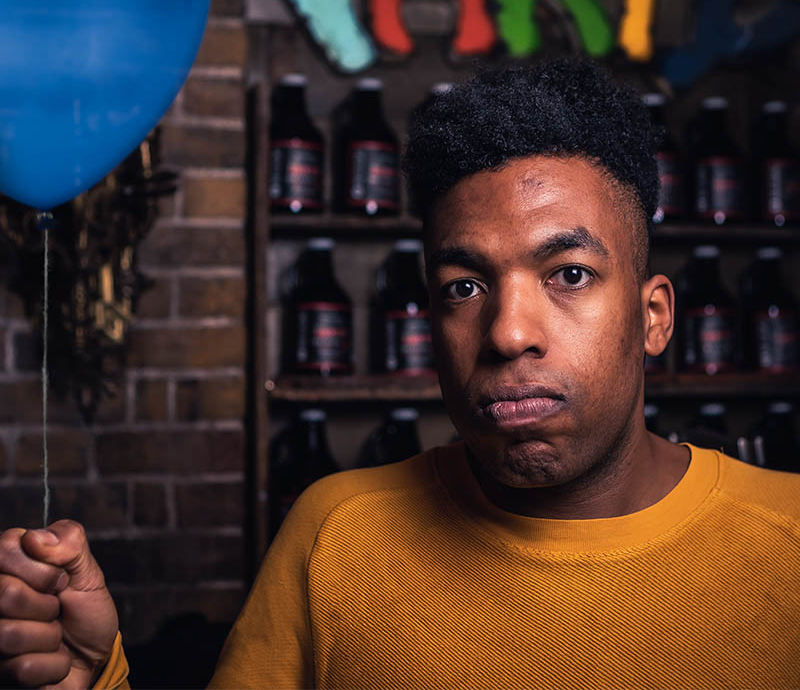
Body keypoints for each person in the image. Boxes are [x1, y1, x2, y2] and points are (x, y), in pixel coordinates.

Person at [1, 58, 799, 690]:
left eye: (570, 274)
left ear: (654, 316)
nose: (509, 333)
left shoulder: (788, 543)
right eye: (465, 287)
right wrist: (92, 683)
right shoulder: (337, 534)